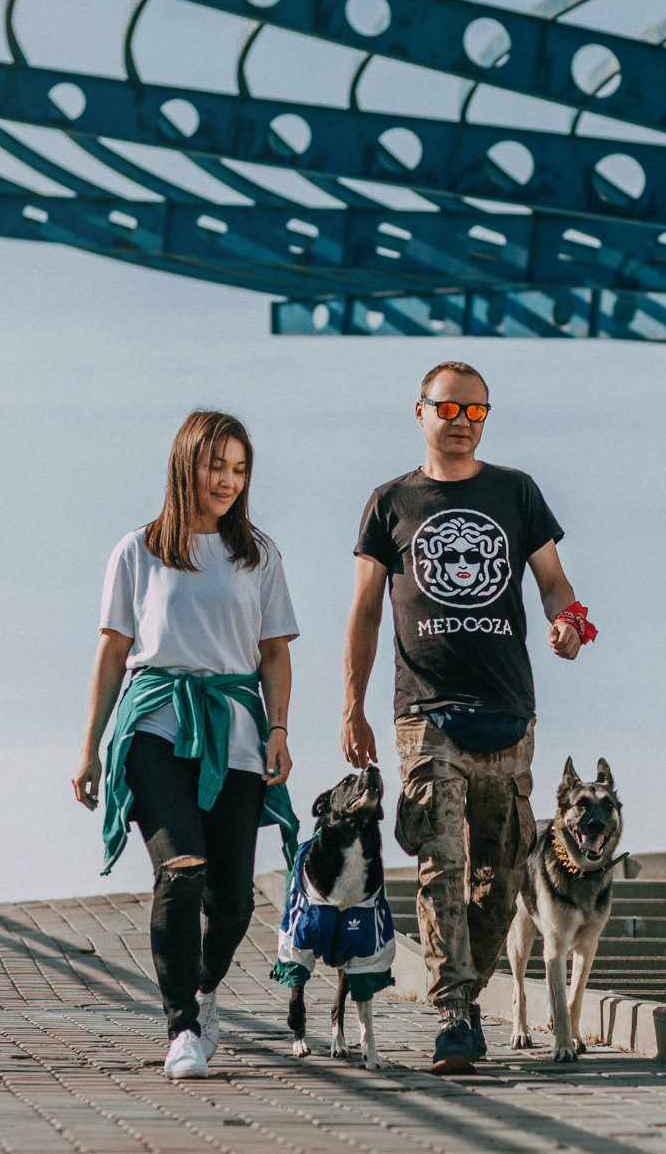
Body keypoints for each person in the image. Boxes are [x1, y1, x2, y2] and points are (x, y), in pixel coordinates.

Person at [342, 361, 596, 1074]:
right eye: (447, 408)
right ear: (419, 411)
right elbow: (364, 612)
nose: (460, 421)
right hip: (424, 712)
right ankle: (455, 1011)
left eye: (473, 411)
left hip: (509, 712)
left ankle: (468, 994)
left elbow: (554, 583)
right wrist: (351, 706)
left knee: (505, 875)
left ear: (486, 416)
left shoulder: (516, 492)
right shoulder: (389, 502)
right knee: (440, 864)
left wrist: (569, 624)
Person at [74, 410, 300, 1080]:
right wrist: (89, 746)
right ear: (185, 465)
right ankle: (180, 1027)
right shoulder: (136, 551)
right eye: (215, 466)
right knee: (181, 869)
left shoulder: (257, 553)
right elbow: (113, 652)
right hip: (156, 725)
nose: (228, 479)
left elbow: (274, 652)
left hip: (234, 731)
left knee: (233, 900)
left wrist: (279, 728)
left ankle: (204, 993)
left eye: (239, 469)